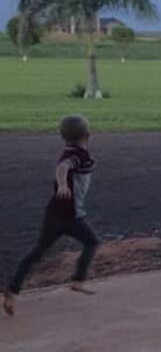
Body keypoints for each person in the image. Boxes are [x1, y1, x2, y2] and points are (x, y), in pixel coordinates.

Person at [3, 115, 99, 317]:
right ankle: (77, 280)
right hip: (71, 214)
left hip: (54, 212)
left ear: (63, 137)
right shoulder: (77, 156)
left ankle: (11, 290)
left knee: (37, 252)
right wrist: (63, 184)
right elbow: (63, 167)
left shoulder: (72, 152)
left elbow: (66, 164)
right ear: (88, 134)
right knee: (92, 242)